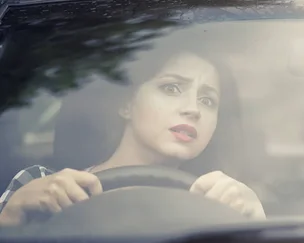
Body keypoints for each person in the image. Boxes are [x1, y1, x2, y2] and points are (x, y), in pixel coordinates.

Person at [0, 45, 266, 226]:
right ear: (126, 104)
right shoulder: (40, 185)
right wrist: (12, 213)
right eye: (171, 88)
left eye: (208, 101)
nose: (192, 109)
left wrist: (256, 224)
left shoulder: (219, 205)